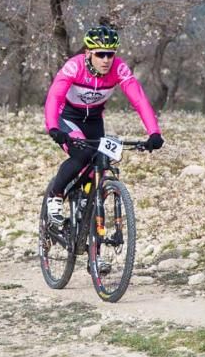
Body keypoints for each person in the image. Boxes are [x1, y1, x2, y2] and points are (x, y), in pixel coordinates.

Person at [43, 24, 164, 226]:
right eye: (100, 54)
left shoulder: (119, 68)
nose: (106, 60)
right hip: (68, 118)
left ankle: (84, 202)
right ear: (89, 52)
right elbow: (54, 96)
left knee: (101, 161)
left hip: (94, 120)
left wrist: (154, 133)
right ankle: (55, 196)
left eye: (110, 54)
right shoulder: (74, 67)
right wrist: (53, 128)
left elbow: (139, 100)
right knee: (81, 153)